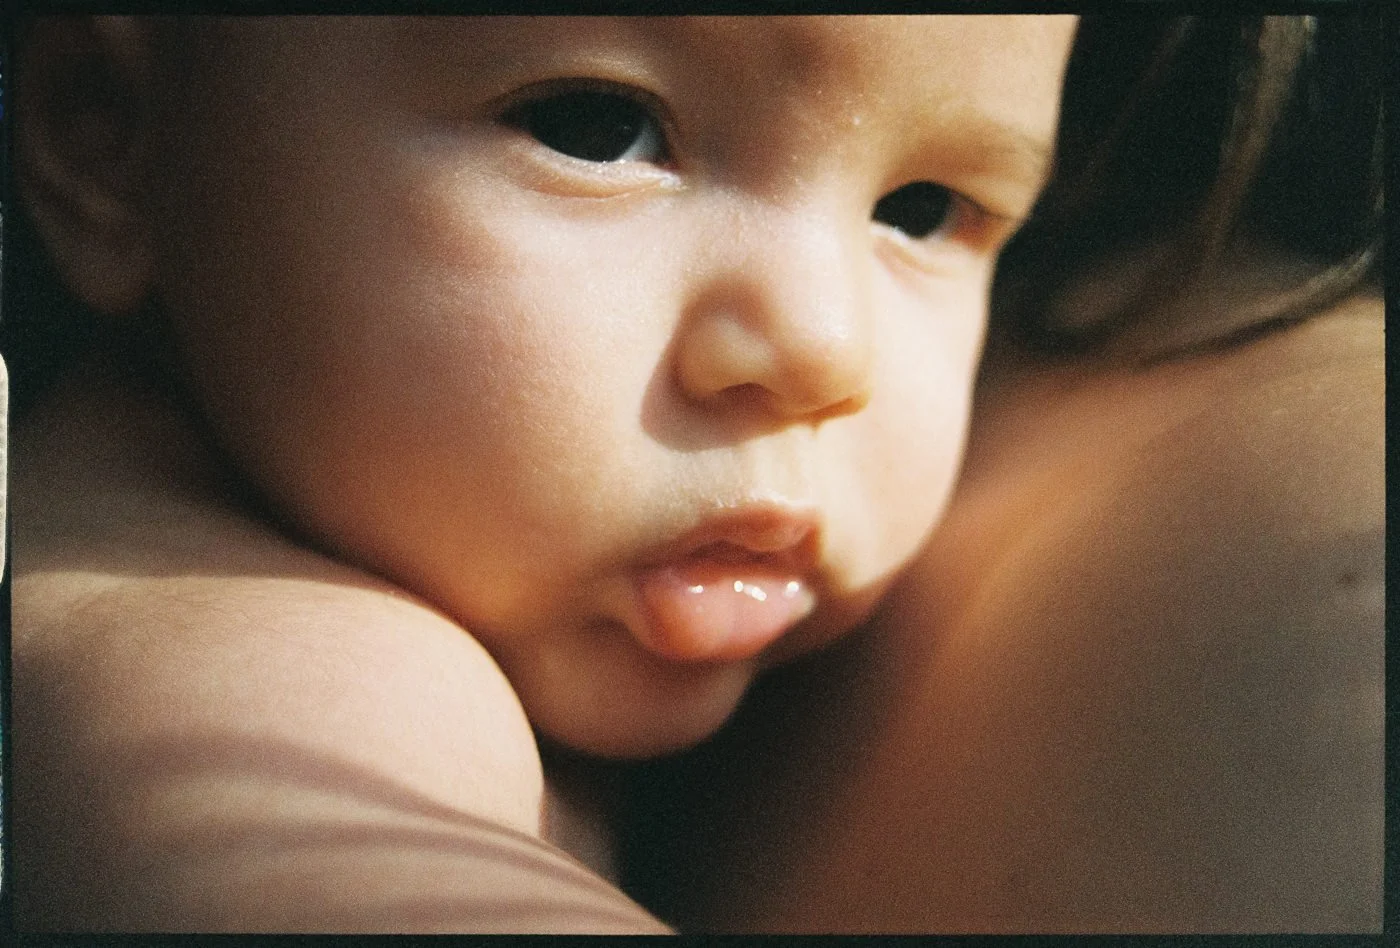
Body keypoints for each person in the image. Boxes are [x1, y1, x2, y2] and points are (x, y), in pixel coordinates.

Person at [4, 14, 1380, 933]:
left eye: (924, 210)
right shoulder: (214, 635)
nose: (820, 347)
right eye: (599, 130)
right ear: (115, 144)